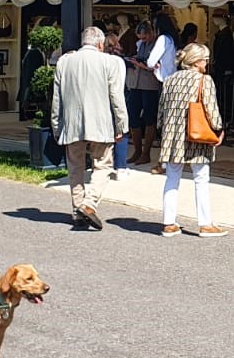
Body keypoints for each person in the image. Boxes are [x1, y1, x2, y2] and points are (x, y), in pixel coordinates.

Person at [51, 26, 129, 231]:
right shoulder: (109, 62)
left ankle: (78, 209)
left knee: (75, 167)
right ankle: (89, 203)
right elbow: (116, 96)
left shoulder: (64, 62)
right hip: (101, 123)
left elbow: (57, 98)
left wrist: (56, 126)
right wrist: (122, 124)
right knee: (103, 165)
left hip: (72, 123)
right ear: (101, 44)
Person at [153, 42, 226, 236]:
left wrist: (163, 130)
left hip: (172, 136)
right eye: (205, 59)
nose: (207, 63)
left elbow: (160, 111)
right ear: (196, 61)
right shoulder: (204, 80)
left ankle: (169, 222)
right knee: (201, 178)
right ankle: (205, 223)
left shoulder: (169, 80)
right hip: (196, 135)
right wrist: (218, 129)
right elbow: (211, 109)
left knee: (172, 178)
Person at [125, 20, 163, 168]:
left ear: (151, 33)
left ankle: (146, 152)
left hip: (150, 84)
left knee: (149, 117)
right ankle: (137, 150)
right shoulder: (140, 44)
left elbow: (158, 65)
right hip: (135, 82)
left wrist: (143, 64)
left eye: (145, 37)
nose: (142, 40)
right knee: (133, 116)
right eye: (140, 37)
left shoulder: (158, 45)